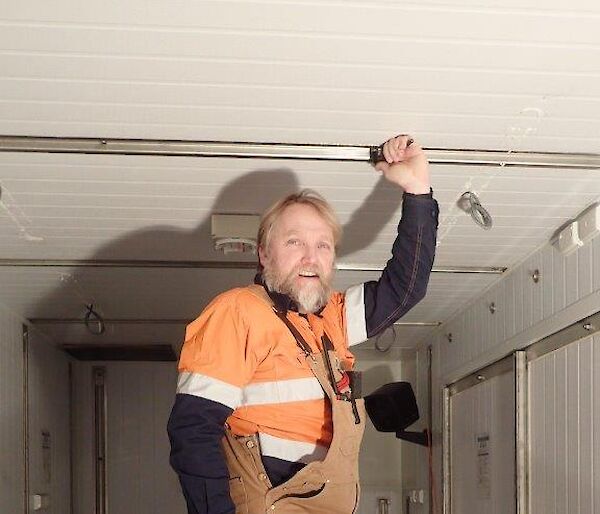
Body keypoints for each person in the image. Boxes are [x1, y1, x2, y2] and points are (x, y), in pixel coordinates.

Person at [167, 134, 439, 514]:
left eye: (323, 245)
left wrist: (417, 190)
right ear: (263, 253)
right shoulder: (238, 311)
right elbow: (192, 430)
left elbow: (406, 288)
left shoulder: (332, 316)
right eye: (294, 242)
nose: (311, 258)